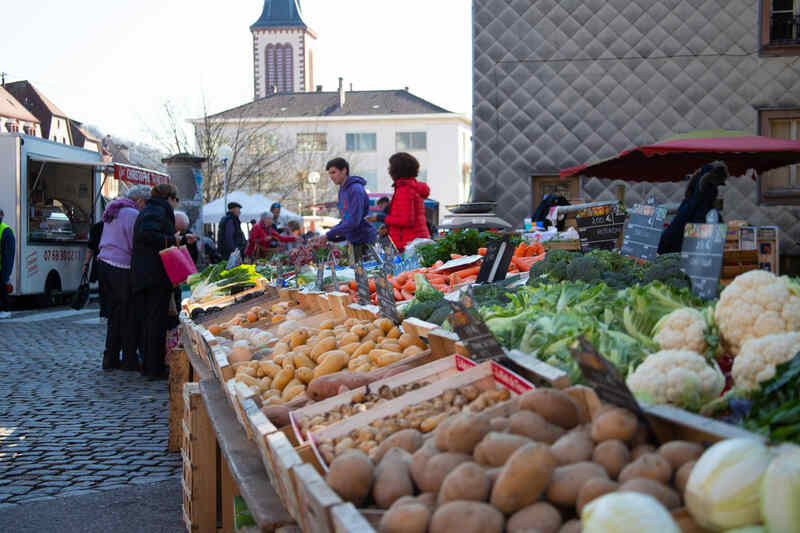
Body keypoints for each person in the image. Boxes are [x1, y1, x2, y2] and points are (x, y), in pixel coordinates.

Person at [132, 183, 193, 381]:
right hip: (154, 275)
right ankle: (154, 368)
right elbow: (148, 235)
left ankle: (151, 366)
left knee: (151, 322)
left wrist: (179, 239)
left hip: (147, 274)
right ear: (170, 198)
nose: (175, 205)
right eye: (176, 201)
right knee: (155, 322)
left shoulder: (152, 209)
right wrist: (171, 239)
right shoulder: (158, 210)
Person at [97, 185, 149, 371]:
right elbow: (135, 244)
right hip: (121, 266)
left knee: (115, 315)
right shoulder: (132, 214)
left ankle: (110, 356)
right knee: (128, 315)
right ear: (140, 201)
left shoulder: (115, 209)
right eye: (146, 203)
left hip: (104, 263)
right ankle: (128, 358)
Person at [658, 161, 728, 254]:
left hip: (675, 240)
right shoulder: (705, 192)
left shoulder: (696, 187)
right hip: (688, 243)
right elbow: (702, 212)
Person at [383, 152, 431, 252]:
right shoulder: (411, 187)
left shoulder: (404, 190)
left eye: (390, 167)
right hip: (417, 241)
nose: (388, 170)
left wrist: (383, 218)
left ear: (397, 170)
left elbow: (406, 221)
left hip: (408, 244)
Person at [323, 157, 377, 247]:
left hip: (364, 239)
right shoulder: (342, 190)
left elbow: (353, 221)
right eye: (330, 174)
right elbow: (345, 220)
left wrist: (328, 235)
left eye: (333, 172)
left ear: (344, 170)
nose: (331, 177)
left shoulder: (355, 189)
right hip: (354, 239)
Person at [84, 220, 106, 318]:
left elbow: (91, 248)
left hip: (100, 263)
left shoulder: (97, 227)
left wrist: (86, 264)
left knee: (103, 290)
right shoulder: (117, 226)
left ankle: (104, 314)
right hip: (115, 263)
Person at [0, 209, 15, 319]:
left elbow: (8, 255)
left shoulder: (6, 231)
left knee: (2, 289)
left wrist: (6, 274)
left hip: (1, 269)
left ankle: (5, 309)